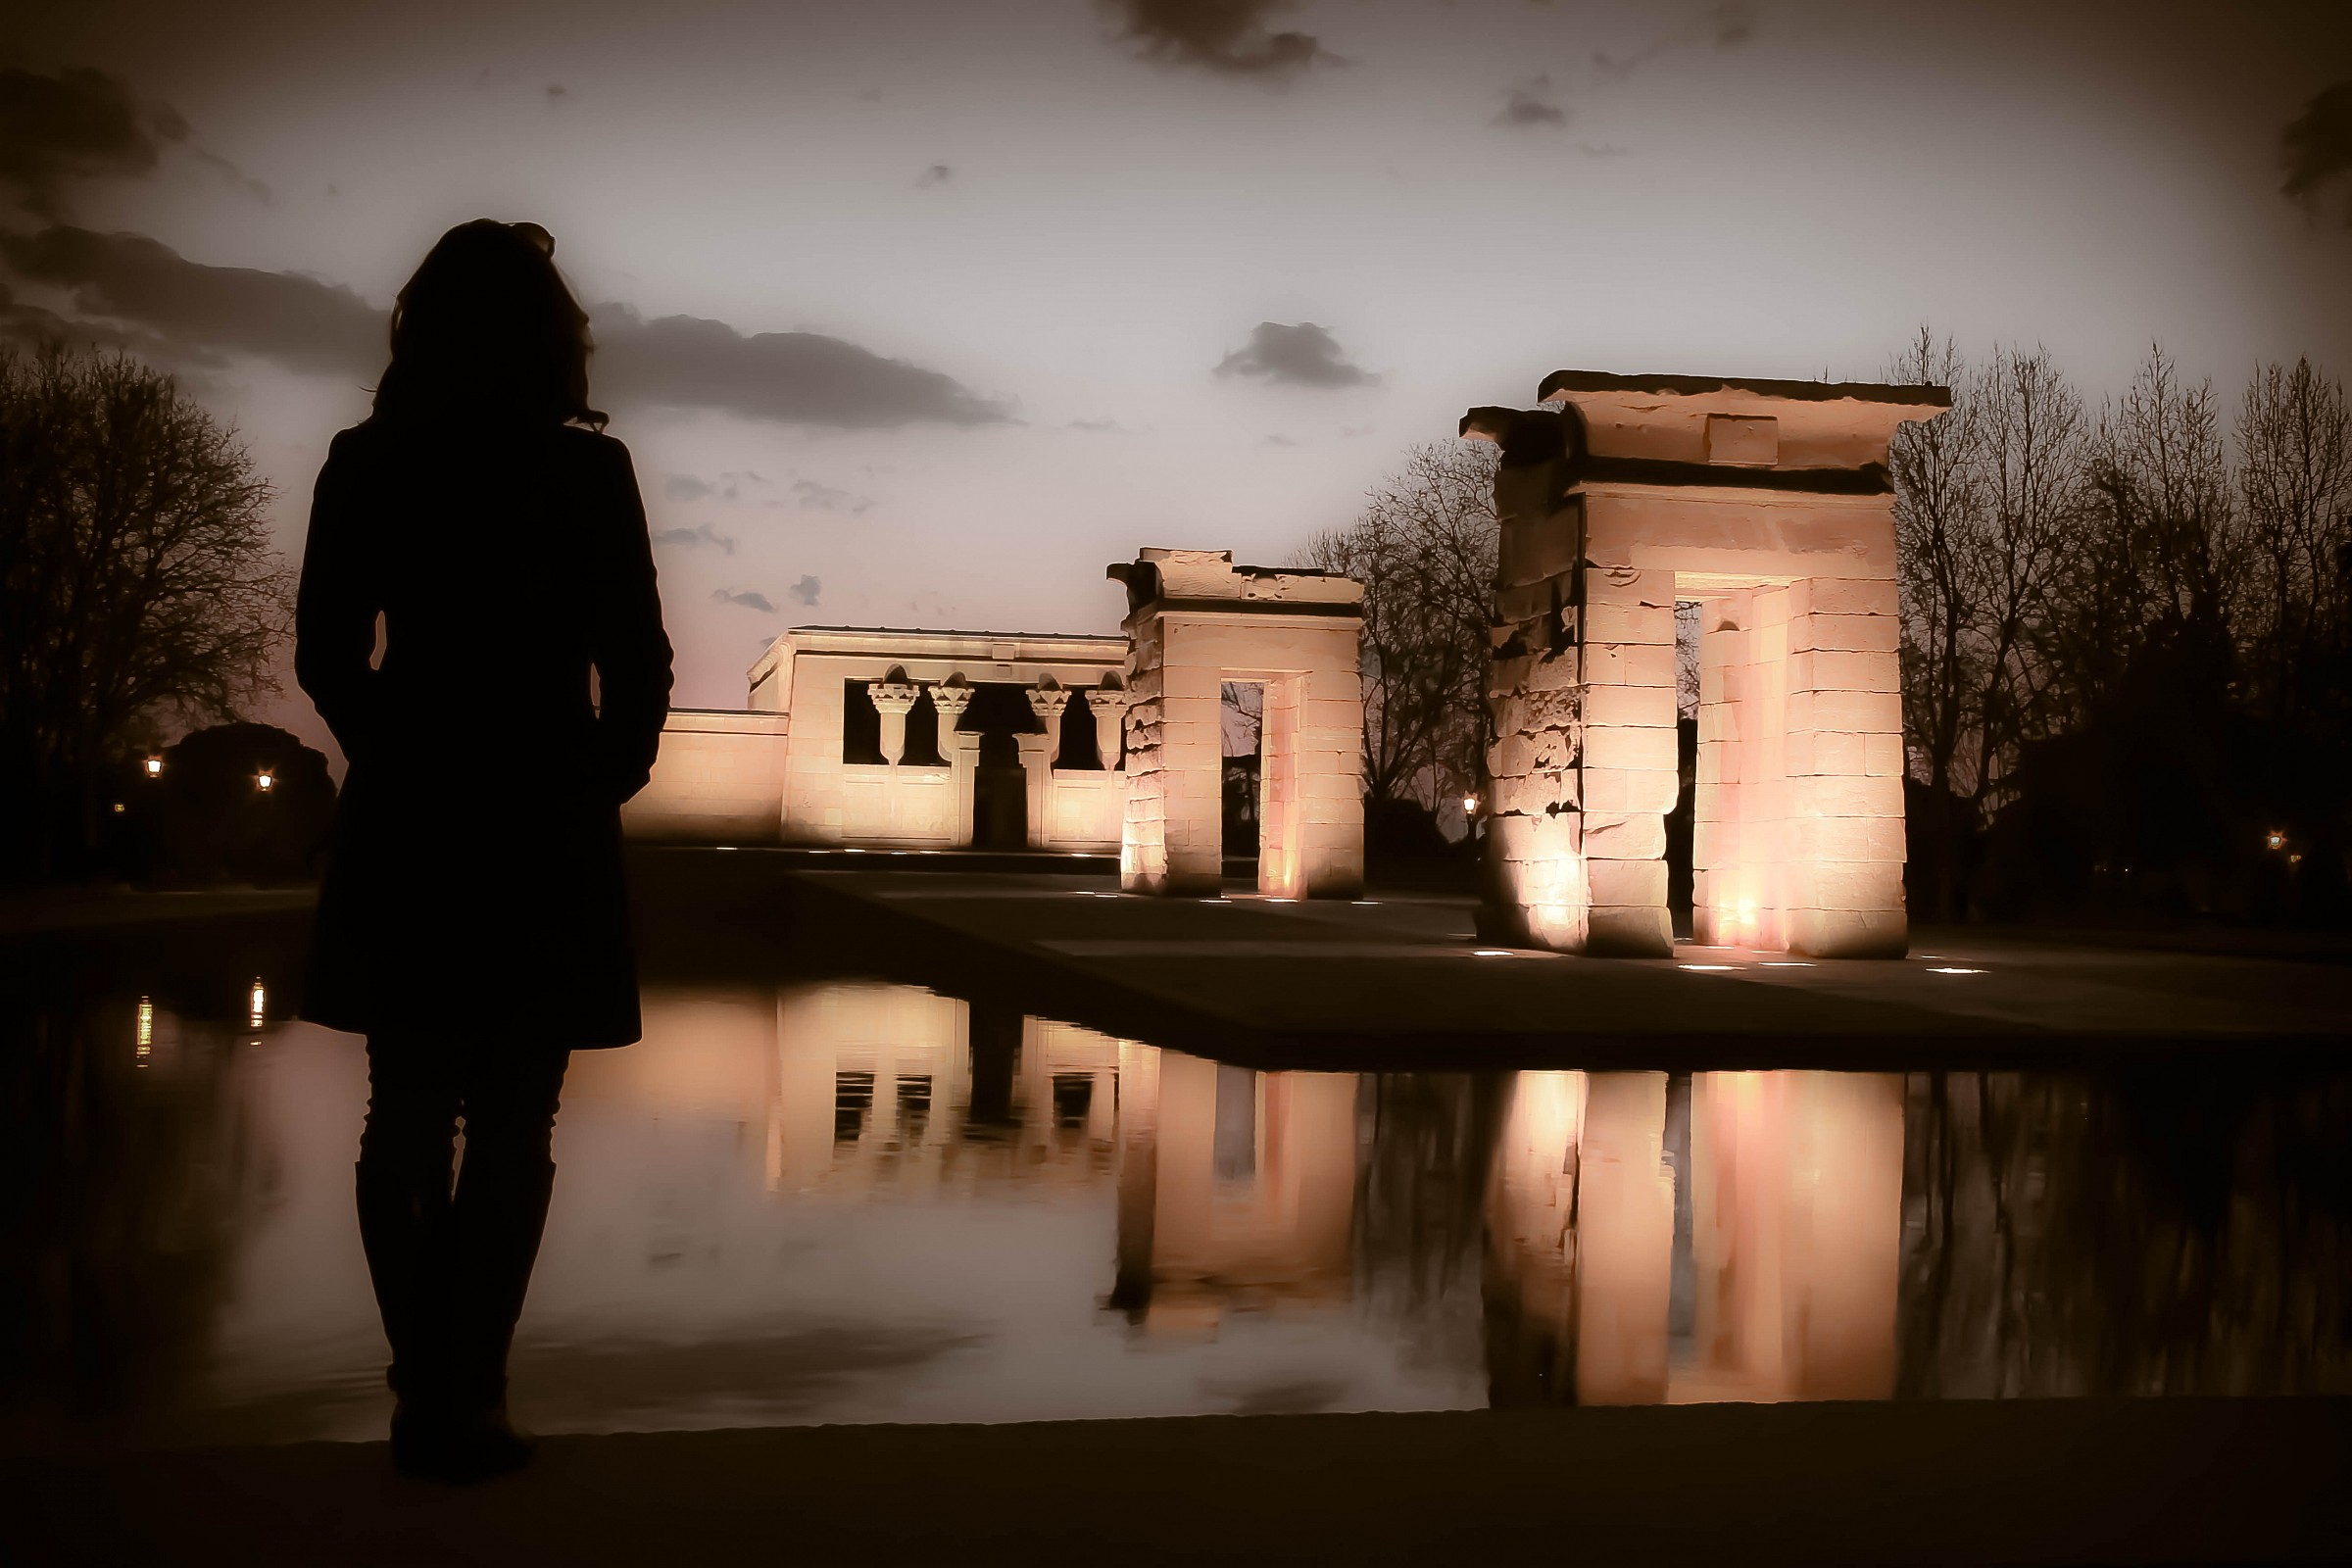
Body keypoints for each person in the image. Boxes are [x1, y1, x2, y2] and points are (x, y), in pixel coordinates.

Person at [295, 220, 672, 1483]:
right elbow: (640, 660)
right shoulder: (586, 473)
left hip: (418, 802)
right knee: (515, 1118)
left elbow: (327, 654)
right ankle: (477, 1386)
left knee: (405, 1108)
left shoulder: (368, 460)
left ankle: (425, 1388)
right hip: (540, 805)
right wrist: (597, 778)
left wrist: (392, 751)